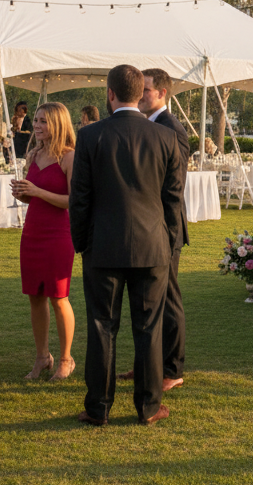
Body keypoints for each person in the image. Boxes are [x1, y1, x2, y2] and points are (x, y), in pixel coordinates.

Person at [70, 64, 184, 426]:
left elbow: (80, 199)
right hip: (152, 247)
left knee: (102, 326)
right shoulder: (164, 138)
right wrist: (167, 243)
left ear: (110, 93)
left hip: (102, 246)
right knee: (149, 328)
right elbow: (173, 200)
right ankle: (149, 407)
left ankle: (98, 407)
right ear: (139, 94)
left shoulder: (90, 137)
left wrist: (82, 243)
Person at [123, 68, 189, 392]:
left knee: (169, 300)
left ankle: (172, 370)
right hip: (147, 228)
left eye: (146, 90)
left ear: (163, 93)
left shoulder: (172, 129)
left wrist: (170, 234)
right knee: (147, 303)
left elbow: (173, 189)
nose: (140, 95)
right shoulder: (147, 125)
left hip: (165, 228)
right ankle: (146, 367)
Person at [11, 102, 77, 381]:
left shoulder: (69, 157)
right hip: (32, 231)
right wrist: (24, 194)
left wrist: (36, 190)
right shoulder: (34, 153)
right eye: (36, 120)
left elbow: (74, 201)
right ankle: (42, 357)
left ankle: (66, 358)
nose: (36, 126)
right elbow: (34, 196)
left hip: (58, 234)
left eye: (43, 122)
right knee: (35, 297)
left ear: (58, 124)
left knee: (58, 297)